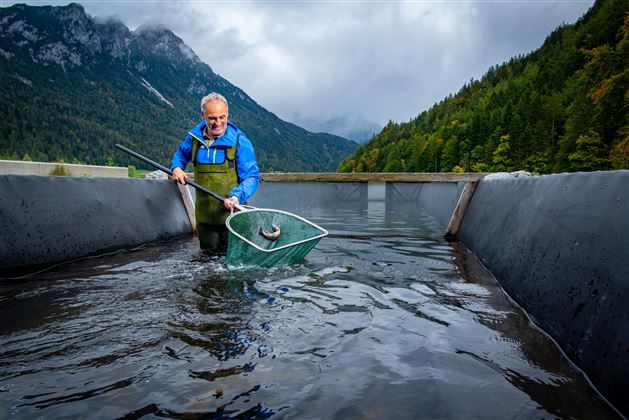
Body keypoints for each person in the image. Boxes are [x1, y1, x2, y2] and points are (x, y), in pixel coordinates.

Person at [170, 92, 259, 250]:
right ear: (203, 115)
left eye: (222, 117)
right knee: (207, 265)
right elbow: (180, 155)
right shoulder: (194, 138)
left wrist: (237, 195)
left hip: (233, 218)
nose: (218, 123)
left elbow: (252, 177)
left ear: (227, 115)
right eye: (212, 118)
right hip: (204, 221)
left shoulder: (240, 141)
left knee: (235, 269)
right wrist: (176, 167)